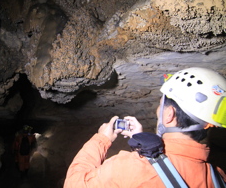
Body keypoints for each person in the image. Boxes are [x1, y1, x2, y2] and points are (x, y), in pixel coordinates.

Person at [64, 67, 226, 187]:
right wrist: (146, 150)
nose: (158, 109)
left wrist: (101, 139)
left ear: (169, 114)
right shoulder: (217, 177)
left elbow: (74, 184)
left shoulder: (128, 167)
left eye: (160, 104)